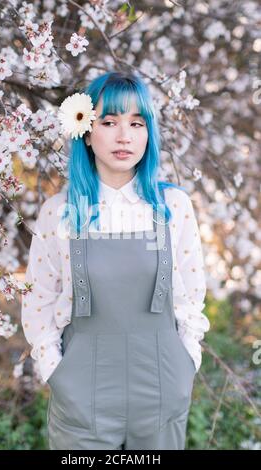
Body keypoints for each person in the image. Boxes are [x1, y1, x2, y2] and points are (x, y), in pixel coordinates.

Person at [21, 70, 210, 450]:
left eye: (136, 123)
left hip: (160, 389)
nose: (124, 135)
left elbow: (190, 297)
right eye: (110, 122)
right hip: (82, 395)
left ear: (147, 134)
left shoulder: (174, 207)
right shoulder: (59, 213)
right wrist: (56, 373)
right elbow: (38, 303)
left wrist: (186, 365)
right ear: (88, 132)